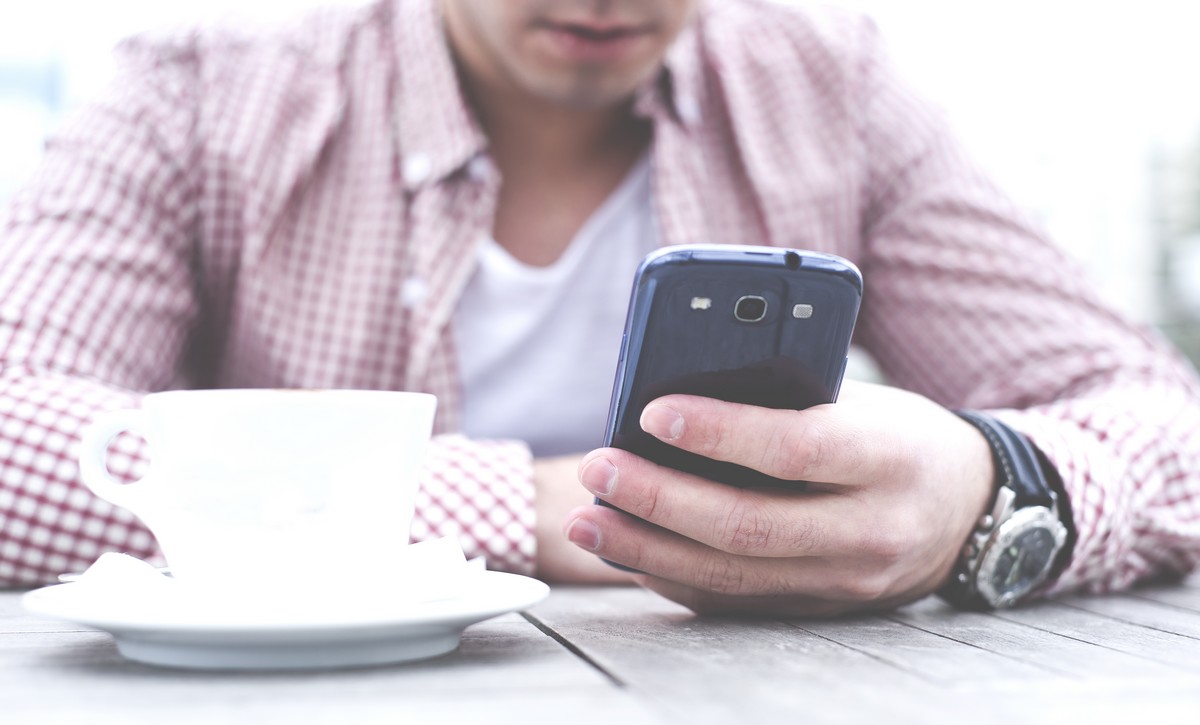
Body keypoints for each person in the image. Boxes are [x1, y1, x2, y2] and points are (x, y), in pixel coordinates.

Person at [1, 0, 1198, 615]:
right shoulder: (204, 85)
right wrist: (536, 506)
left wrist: (988, 497)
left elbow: (1159, 415)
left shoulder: (826, 83)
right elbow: (13, 433)